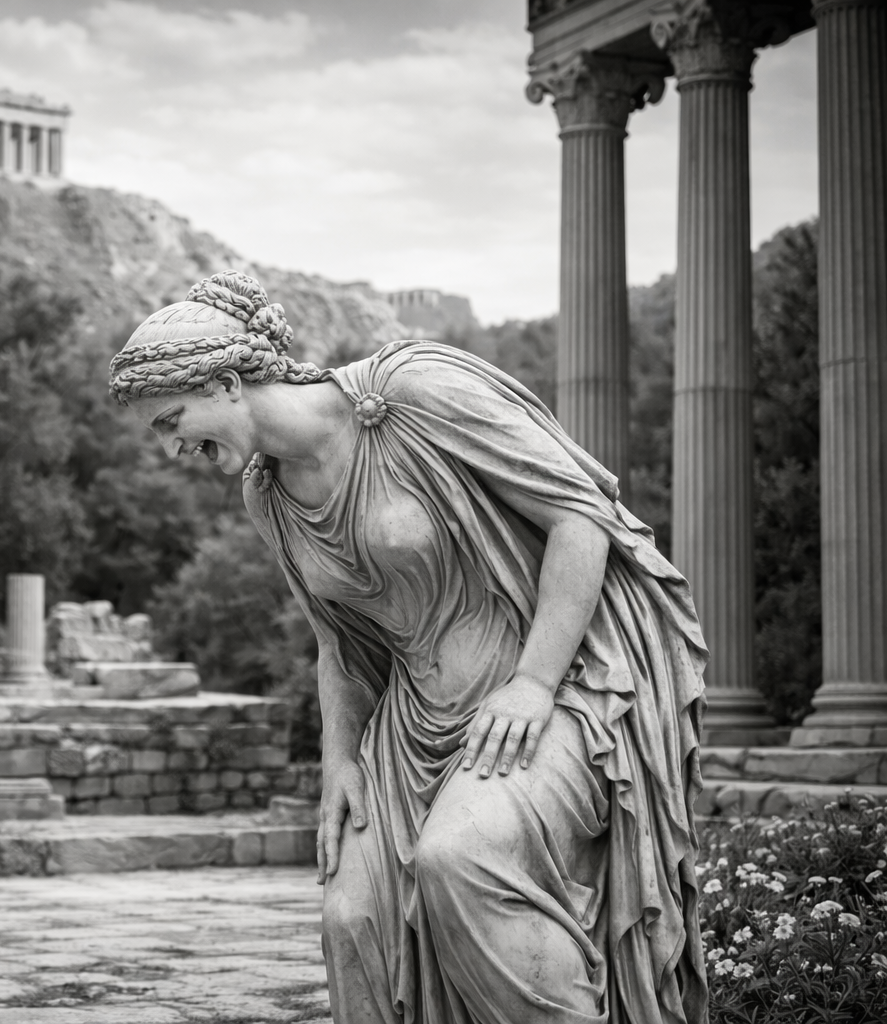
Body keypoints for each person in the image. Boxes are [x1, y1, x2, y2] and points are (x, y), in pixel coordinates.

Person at [110, 271, 709, 1024]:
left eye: (171, 421)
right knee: (351, 919)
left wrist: (531, 683)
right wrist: (339, 762)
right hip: (411, 728)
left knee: (461, 858)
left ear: (228, 382)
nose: (169, 448)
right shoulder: (266, 496)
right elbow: (340, 646)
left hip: (545, 693)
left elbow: (579, 516)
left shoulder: (412, 392)